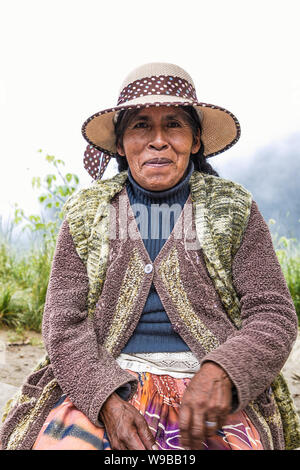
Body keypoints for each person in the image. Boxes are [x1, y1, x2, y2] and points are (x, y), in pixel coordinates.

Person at [1, 62, 300, 451]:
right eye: (141, 125)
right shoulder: (87, 212)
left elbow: (273, 313)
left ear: (195, 140)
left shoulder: (234, 208)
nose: (158, 140)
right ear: (121, 144)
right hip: (104, 379)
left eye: (173, 124)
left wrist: (223, 370)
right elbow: (63, 325)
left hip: (207, 389)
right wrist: (106, 400)